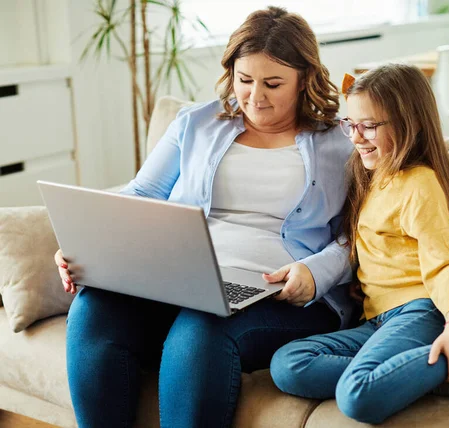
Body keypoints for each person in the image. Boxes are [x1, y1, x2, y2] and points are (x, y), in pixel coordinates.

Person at [54, 7, 355, 428]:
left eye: (273, 83)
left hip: (281, 295)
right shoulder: (196, 122)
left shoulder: (344, 141)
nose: (255, 97)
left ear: (305, 78)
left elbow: (362, 236)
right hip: (182, 278)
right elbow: (141, 195)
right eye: (244, 80)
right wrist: (85, 243)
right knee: (95, 308)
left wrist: (314, 272)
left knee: (201, 329)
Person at [270, 64, 449, 424]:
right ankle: (422, 378)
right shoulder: (372, 177)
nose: (356, 137)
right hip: (378, 319)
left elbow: (447, 263)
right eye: (351, 124)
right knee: (288, 366)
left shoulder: (419, 184)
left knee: (357, 395)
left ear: (408, 124)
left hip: (420, 310)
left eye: (370, 126)